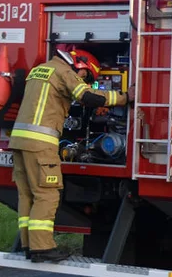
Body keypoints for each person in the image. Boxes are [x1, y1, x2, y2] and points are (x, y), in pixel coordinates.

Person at [9, 46, 128, 262]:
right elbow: (89, 97)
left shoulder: (41, 69)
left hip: (19, 141)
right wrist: (123, 98)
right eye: (86, 75)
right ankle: (42, 248)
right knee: (47, 193)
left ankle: (29, 245)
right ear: (80, 65)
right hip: (40, 143)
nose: (84, 80)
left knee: (27, 195)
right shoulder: (64, 72)